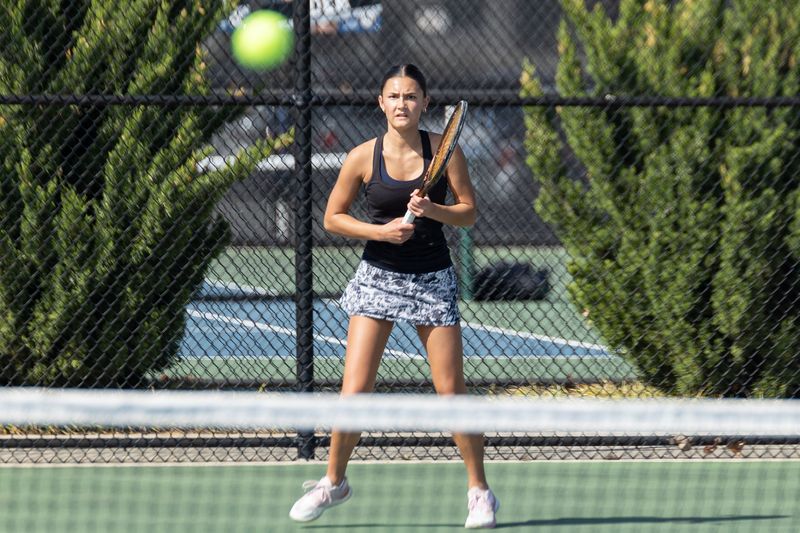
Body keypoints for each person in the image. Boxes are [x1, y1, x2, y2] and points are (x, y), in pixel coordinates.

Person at [288, 64, 499, 529]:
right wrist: (380, 232)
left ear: (424, 103)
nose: (402, 104)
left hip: (432, 279)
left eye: (411, 96)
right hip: (378, 277)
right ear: (380, 103)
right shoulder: (363, 156)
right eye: (394, 96)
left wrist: (434, 209)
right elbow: (333, 218)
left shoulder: (446, 154)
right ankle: (334, 482)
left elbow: (468, 215)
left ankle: (480, 491)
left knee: (451, 395)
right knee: (354, 393)